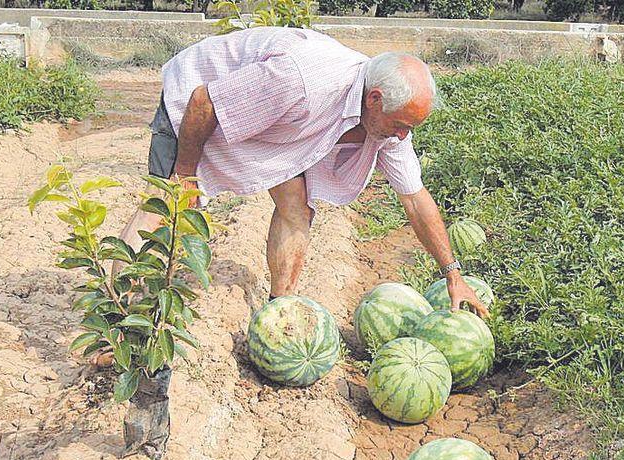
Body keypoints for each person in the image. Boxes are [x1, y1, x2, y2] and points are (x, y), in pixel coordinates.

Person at [119, 26, 488, 317]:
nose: (403, 135)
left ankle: (280, 308)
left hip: (271, 120)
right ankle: (114, 311)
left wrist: (453, 275)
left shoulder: (387, 121)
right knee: (168, 205)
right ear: (374, 99)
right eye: (401, 124)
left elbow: (414, 199)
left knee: (297, 207)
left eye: (410, 128)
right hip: (194, 106)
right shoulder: (301, 81)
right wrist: (185, 173)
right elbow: (204, 101)